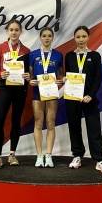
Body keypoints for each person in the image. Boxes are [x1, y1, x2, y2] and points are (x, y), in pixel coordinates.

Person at [64, 25, 102, 173]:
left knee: (94, 128)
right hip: (72, 98)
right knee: (74, 127)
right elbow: (68, 74)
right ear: (74, 38)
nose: (81, 39)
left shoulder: (95, 56)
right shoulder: (69, 56)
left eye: (84, 36)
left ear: (88, 37)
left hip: (89, 99)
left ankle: (99, 159)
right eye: (78, 37)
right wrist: (65, 79)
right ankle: (77, 155)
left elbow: (98, 79)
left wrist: (90, 95)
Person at [0, 19, 31, 169]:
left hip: (20, 89)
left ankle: (12, 154)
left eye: (16, 30)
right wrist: (0, 74)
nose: (14, 32)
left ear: (20, 32)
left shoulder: (26, 51)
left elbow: (29, 71)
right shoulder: (0, 48)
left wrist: (28, 76)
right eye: (11, 30)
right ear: (8, 31)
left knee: (16, 120)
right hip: (5, 88)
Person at [28, 27, 64, 167]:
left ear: (53, 37)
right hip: (37, 92)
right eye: (44, 36)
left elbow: (62, 74)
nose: (47, 38)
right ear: (40, 38)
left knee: (50, 123)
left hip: (52, 92)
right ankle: (39, 156)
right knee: (38, 122)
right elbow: (30, 75)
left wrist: (61, 80)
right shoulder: (33, 55)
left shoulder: (58, 55)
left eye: (49, 35)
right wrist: (30, 81)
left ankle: (48, 155)